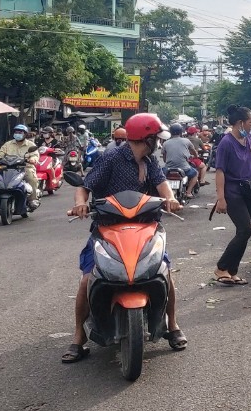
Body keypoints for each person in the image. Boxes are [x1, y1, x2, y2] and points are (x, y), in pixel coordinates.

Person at [63, 112, 185, 362]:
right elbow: (84, 187)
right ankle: (78, 336)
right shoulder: (111, 158)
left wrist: (171, 199)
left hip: (144, 227)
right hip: (108, 228)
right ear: (146, 139)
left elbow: (161, 185)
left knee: (166, 274)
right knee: (87, 280)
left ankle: (172, 325)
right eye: (155, 138)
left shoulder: (150, 161)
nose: (158, 143)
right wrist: (81, 204)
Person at [212, 106, 251, 285]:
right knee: (245, 230)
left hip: (249, 191)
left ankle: (232, 272)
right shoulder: (226, 143)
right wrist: (221, 198)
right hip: (232, 193)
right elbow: (220, 172)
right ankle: (221, 267)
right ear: (241, 123)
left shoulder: (249, 139)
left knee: (244, 232)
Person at [0, 124, 42, 210]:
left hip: (25, 167)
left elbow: (35, 155)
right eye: (16, 132)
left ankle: (32, 199)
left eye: (20, 132)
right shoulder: (8, 144)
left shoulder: (30, 145)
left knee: (31, 178)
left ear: (25, 134)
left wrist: (33, 159)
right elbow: (0, 153)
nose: (18, 134)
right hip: (9, 168)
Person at [161, 123, 200, 200]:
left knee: (161, 177)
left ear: (170, 132)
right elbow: (193, 151)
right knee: (195, 173)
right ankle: (188, 192)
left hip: (168, 169)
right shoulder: (186, 141)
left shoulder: (165, 143)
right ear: (181, 132)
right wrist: (196, 156)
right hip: (184, 169)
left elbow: (165, 159)